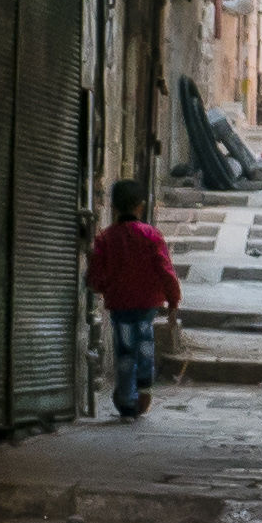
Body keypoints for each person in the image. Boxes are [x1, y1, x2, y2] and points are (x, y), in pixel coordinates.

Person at [85, 179, 181, 422]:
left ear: (113, 207)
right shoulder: (151, 235)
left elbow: (97, 273)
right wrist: (173, 300)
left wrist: (100, 286)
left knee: (125, 349)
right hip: (148, 302)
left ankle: (128, 403)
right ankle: (145, 378)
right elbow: (165, 270)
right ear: (141, 206)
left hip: (120, 304)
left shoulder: (106, 238)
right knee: (145, 335)